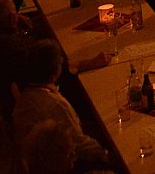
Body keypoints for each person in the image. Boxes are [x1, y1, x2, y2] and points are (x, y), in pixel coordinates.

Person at [11, 40, 112, 169]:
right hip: (60, 164)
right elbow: (80, 144)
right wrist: (106, 154)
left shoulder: (27, 94)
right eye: (60, 61)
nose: (63, 62)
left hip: (36, 158)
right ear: (56, 70)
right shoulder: (56, 104)